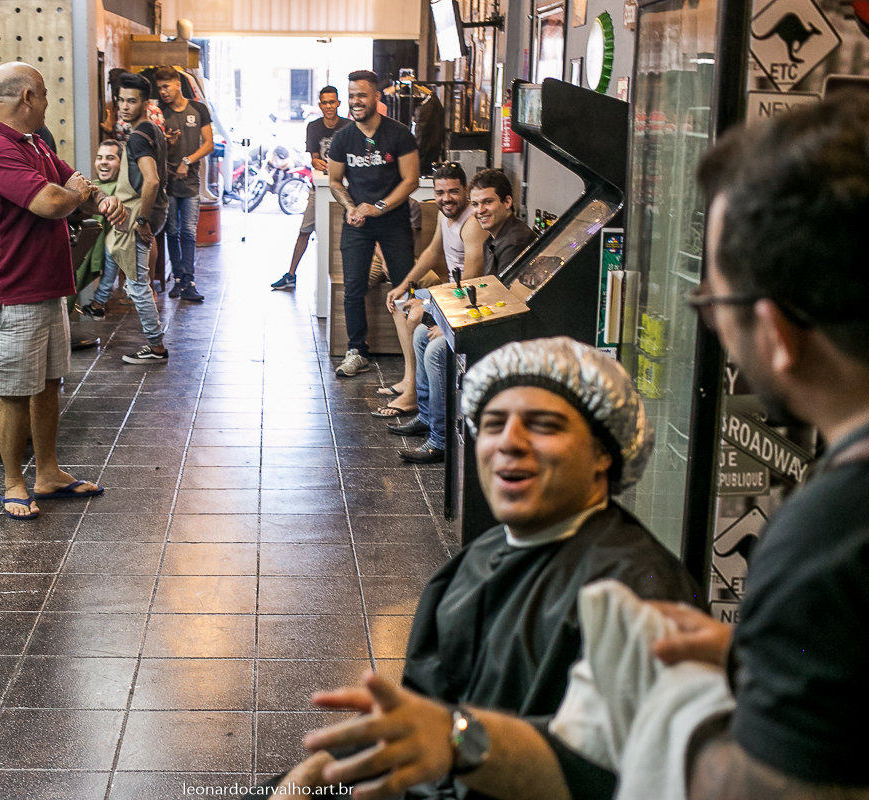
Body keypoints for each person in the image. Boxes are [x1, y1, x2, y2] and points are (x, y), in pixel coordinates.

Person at [292, 92, 869, 800]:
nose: (509, 446)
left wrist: (668, 713)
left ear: (775, 333)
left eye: (712, 305)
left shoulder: (828, 535)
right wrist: (751, 671)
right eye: (494, 424)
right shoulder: (471, 568)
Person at [256, 336, 699, 800]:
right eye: (492, 424)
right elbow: (424, 720)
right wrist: (321, 770)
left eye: (543, 426)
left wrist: (454, 739)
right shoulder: (480, 558)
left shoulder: (640, 595)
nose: (509, 442)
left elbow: (615, 772)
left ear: (604, 452)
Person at [0, 62, 124, 521]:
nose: (48, 103)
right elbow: (52, 201)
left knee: (49, 384)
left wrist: (101, 198)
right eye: (44, 95)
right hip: (9, 292)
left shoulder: (32, 142)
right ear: (26, 97)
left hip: (46, 287)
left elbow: (77, 183)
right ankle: (13, 482)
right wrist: (74, 193)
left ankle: (48, 473)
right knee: (15, 392)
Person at [376, 163, 488, 423]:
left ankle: (413, 394)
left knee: (415, 314)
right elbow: (432, 252)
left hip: (465, 297)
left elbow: (470, 283)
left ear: (466, 191)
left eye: (453, 191)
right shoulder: (444, 215)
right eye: (440, 192)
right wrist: (403, 285)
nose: (446, 198)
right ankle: (409, 380)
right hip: (450, 289)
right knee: (400, 301)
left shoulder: (472, 224)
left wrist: (428, 301)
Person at [327, 70, 420, 377]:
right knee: (353, 288)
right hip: (357, 225)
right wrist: (350, 207)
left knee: (404, 286)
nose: (355, 101)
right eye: (351, 95)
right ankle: (357, 352)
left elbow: (411, 180)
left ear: (377, 97)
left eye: (362, 95)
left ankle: (414, 355)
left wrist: (379, 207)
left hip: (394, 223)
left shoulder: (399, 134)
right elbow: (335, 181)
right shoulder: (343, 138)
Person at [81, 73, 170, 365]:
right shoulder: (153, 130)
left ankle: (156, 346)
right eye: (120, 100)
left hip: (138, 213)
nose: (124, 106)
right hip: (146, 210)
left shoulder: (138, 137)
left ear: (145, 103)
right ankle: (100, 303)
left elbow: (152, 180)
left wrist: (142, 221)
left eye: (131, 101)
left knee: (137, 284)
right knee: (119, 258)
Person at [270, 85, 352, 291]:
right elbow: (314, 157)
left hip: (346, 188)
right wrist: (318, 163)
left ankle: (347, 277)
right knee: (305, 229)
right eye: (325, 103)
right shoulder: (314, 127)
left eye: (332, 102)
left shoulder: (349, 126)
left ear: (338, 103)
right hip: (320, 187)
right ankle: (291, 274)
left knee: (347, 232)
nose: (329, 106)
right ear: (320, 105)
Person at [155, 65, 213, 302]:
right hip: (167, 182)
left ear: (178, 84)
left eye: (166, 86)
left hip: (190, 181)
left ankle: (189, 280)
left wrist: (187, 161)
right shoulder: (159, 112)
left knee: (188, 231)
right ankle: (178, 279)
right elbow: (154, 147)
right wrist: (166, 142)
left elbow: (208, 144)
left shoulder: (198, 109)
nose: (163, 92)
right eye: (159, 88)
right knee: (171, 231)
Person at [77, 140, 122, 317]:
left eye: (110, 158)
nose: (103, 162)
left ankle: (99, 301)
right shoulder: (88, 186)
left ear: (121, 162)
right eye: (100, 157)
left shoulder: (123, 190)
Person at [468, 168, 536, 277]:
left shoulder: (515, 243)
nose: (480, 210)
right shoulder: (493, 239)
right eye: (475, 204)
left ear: (507, 202)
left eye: (488, 202)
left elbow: (502, 288)